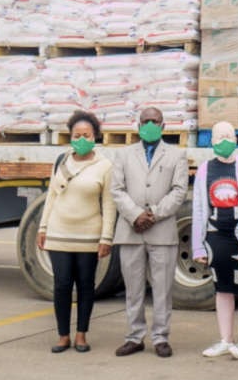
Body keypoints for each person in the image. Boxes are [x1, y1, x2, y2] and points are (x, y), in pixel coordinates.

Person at [111, 107, 188, 358]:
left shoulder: (176, 155)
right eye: (146, 121)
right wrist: (135, 215)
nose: (150, 124)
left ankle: (160, 337)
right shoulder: (123, 154)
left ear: (163, 126)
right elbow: (117, 190)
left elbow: (179, 191)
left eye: (155, 121)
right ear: (138, 125)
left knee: (162, 288)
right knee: (133, 288)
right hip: (130, 230)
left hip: (161, 230)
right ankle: (134, 337)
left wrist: (153, 214)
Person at [38, 110, 116, 354]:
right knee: (61, 286)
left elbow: (110, 205)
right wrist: (42, 227)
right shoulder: (61, 160)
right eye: (77, 134)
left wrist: (106, 238)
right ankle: (63, 336)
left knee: (85, 286)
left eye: (86, 134)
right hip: (59, 232)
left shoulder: (105, 166)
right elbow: (51, 195)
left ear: (95, 137)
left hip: (89, 236)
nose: (81, 138)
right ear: (70, 136)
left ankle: (81, 335)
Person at [193, 121, 238, 360]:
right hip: (215, 236)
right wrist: (198, 244)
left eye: (228, 135)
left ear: (236, 138)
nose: (224, 140)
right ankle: (225, 339)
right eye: (219, 137)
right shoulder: (204, 169)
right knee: (223, 288)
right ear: (211, 142)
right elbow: (199, 208)